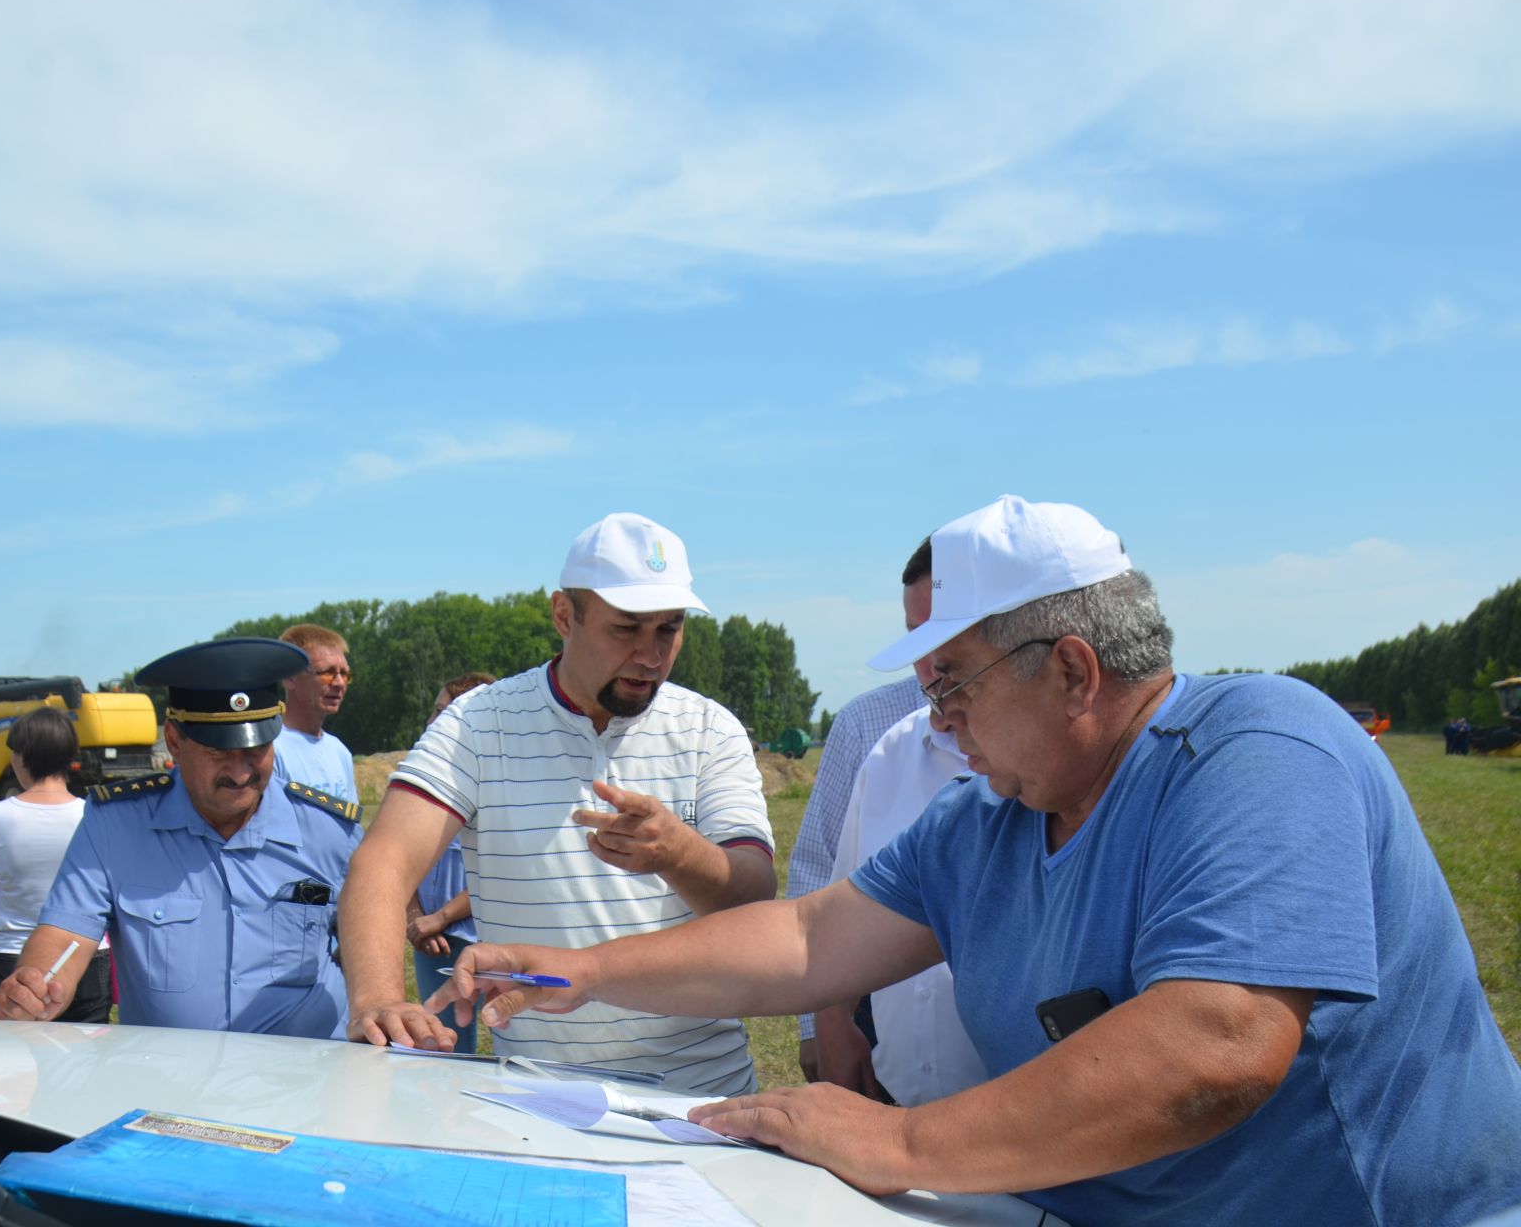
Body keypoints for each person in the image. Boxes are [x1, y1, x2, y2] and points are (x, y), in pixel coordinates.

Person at [445, 496, 1521, 1226]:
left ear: (1073, 670)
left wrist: (901, 1146)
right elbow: (812, 937)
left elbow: (1219, 1041)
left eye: (953, 684)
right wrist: (581, 970)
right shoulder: (991, 819)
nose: (938, 722)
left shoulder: (1258, 743)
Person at [341, 512, 777, 1096]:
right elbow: (385, 861)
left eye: (668, 630)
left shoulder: (709, 729)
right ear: (564, 615)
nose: (650, 655)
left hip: (703, 1092)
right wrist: (376, 998)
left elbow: (753, 894)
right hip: (540, 1100)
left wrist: (679, 854)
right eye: (627, 629)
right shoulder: (480, 723)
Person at [0, 637, 362, 1036]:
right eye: (219, 752)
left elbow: (371, 939)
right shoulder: (116, 825)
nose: (240, 772)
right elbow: (65, 932)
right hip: (173, 1087)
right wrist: (37, 981)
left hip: (304, 1083)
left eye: (256, 750)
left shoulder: (331, 831)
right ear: (174, 742)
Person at [808, 539, 988, 1106]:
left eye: (947, 640)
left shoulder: (1074, 772)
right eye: (917, 639)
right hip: (894, 1095)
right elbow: (826, 900)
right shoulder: (888, 747)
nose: (931, 668)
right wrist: (827, 1025)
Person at [787, 587, 925, 1081]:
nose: (930, 659)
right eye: (917, 635)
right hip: (873, 1020)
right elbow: (817, 869)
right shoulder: (869, 726)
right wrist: (815, 1023)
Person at [0, 706, 112, 1021]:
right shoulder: (93, 815)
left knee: (9, 1059)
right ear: (70, 758)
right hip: (85, 951)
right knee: (87, 1058)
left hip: (12, 953)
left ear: (19, 757)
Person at [404, 671, 494, 1055]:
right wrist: (416, 919)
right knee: (439, 1041)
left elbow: (497, 873)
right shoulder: (418, 779)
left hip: (481, 935)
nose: (430, 722)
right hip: (430, 939)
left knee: (497, 1032)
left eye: (443, 711)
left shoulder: (495, 784)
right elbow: (400, 860)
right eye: (433, 711)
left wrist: (440, 918)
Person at [267, 624, 358, 804]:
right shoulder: (270, 751)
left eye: (345, 674)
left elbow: (352, 827)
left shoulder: (340, 752)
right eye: (327, 673)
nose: (339, 683)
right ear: (289, 678)